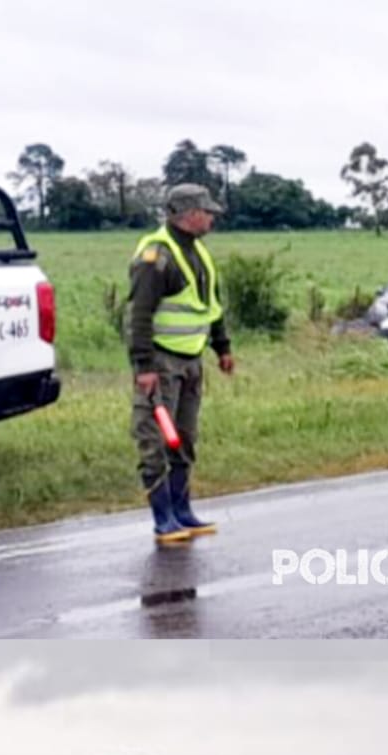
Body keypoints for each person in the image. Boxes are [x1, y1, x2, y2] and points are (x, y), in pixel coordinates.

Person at [128, 183, 235, 544]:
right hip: (160, 364)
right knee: (157, 438)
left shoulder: (199, 253)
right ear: (187, 214)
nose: (212, 218)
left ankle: (183, 510)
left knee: (184, 439)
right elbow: (139, 315)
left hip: (191, 362)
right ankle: (163, 518)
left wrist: (222, 347)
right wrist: (144, 366)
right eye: (206, 211)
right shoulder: (157, 256)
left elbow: (211, 306)